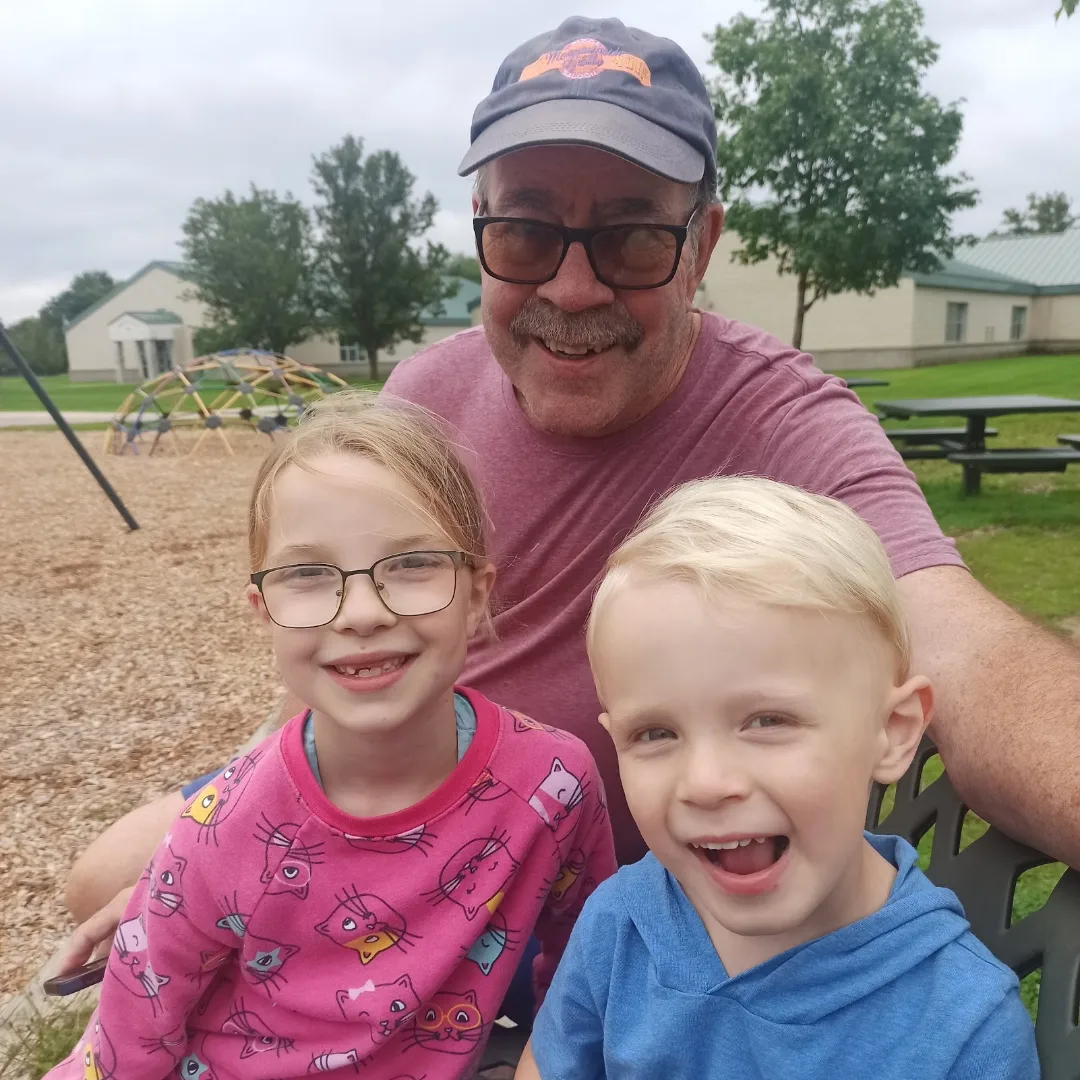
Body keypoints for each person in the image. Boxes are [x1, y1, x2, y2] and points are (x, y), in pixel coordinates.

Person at [63, 14, 1080, 968]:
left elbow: (963, 648)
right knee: (106, 879)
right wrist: (253, 811)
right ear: (480, 229)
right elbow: (333, 640)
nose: (572, 288)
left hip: (552, 884)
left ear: (702, 245)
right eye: (526, 232)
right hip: (383, 794)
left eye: (632, 237)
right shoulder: (426, 395)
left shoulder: (783, 420)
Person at [46, 391, 615, 1080]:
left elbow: (588, 968)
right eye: (309, 575)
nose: (363, 612)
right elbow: (129, 1040)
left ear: (475, 595)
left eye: (412, 564)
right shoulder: (223, 830)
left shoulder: (553, 787)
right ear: (263, 611)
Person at [516, 477, 1039, 1079]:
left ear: (892, 730)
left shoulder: (962, 1025)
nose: (705, 783)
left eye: (768, 721)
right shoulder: (623, 922)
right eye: (655, 733)